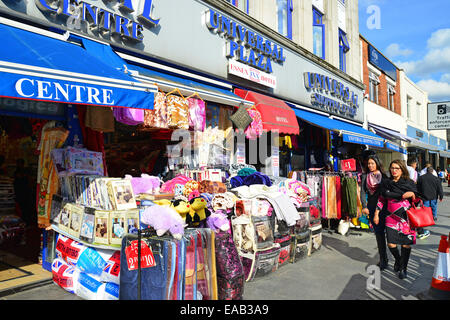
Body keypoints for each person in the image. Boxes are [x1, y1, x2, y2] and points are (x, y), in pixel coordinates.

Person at [374, 160, 418, 279]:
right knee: (391, 244)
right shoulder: (386, 183)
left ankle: (404, 268)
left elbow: (417, 199)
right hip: (390, 217)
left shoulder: (409, 183)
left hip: (406, 218)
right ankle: (398, 260)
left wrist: (413, 195)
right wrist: (376, 214)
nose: (394, 170)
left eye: (397, 168)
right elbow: (382, 198)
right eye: (392, 168)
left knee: (406, 245)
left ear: (402, 169)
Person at [360, 155, 389, 270]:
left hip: (384, 207)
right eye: (369, 164)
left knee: (389, 233)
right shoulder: (365, 176)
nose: (370, 165)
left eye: (372, 163)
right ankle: (383, 259)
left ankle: (396, 256)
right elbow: (362, 191)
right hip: (371, 207)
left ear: (377, 163)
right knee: (379, 233)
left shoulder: (385, 176)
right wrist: (364, 205)